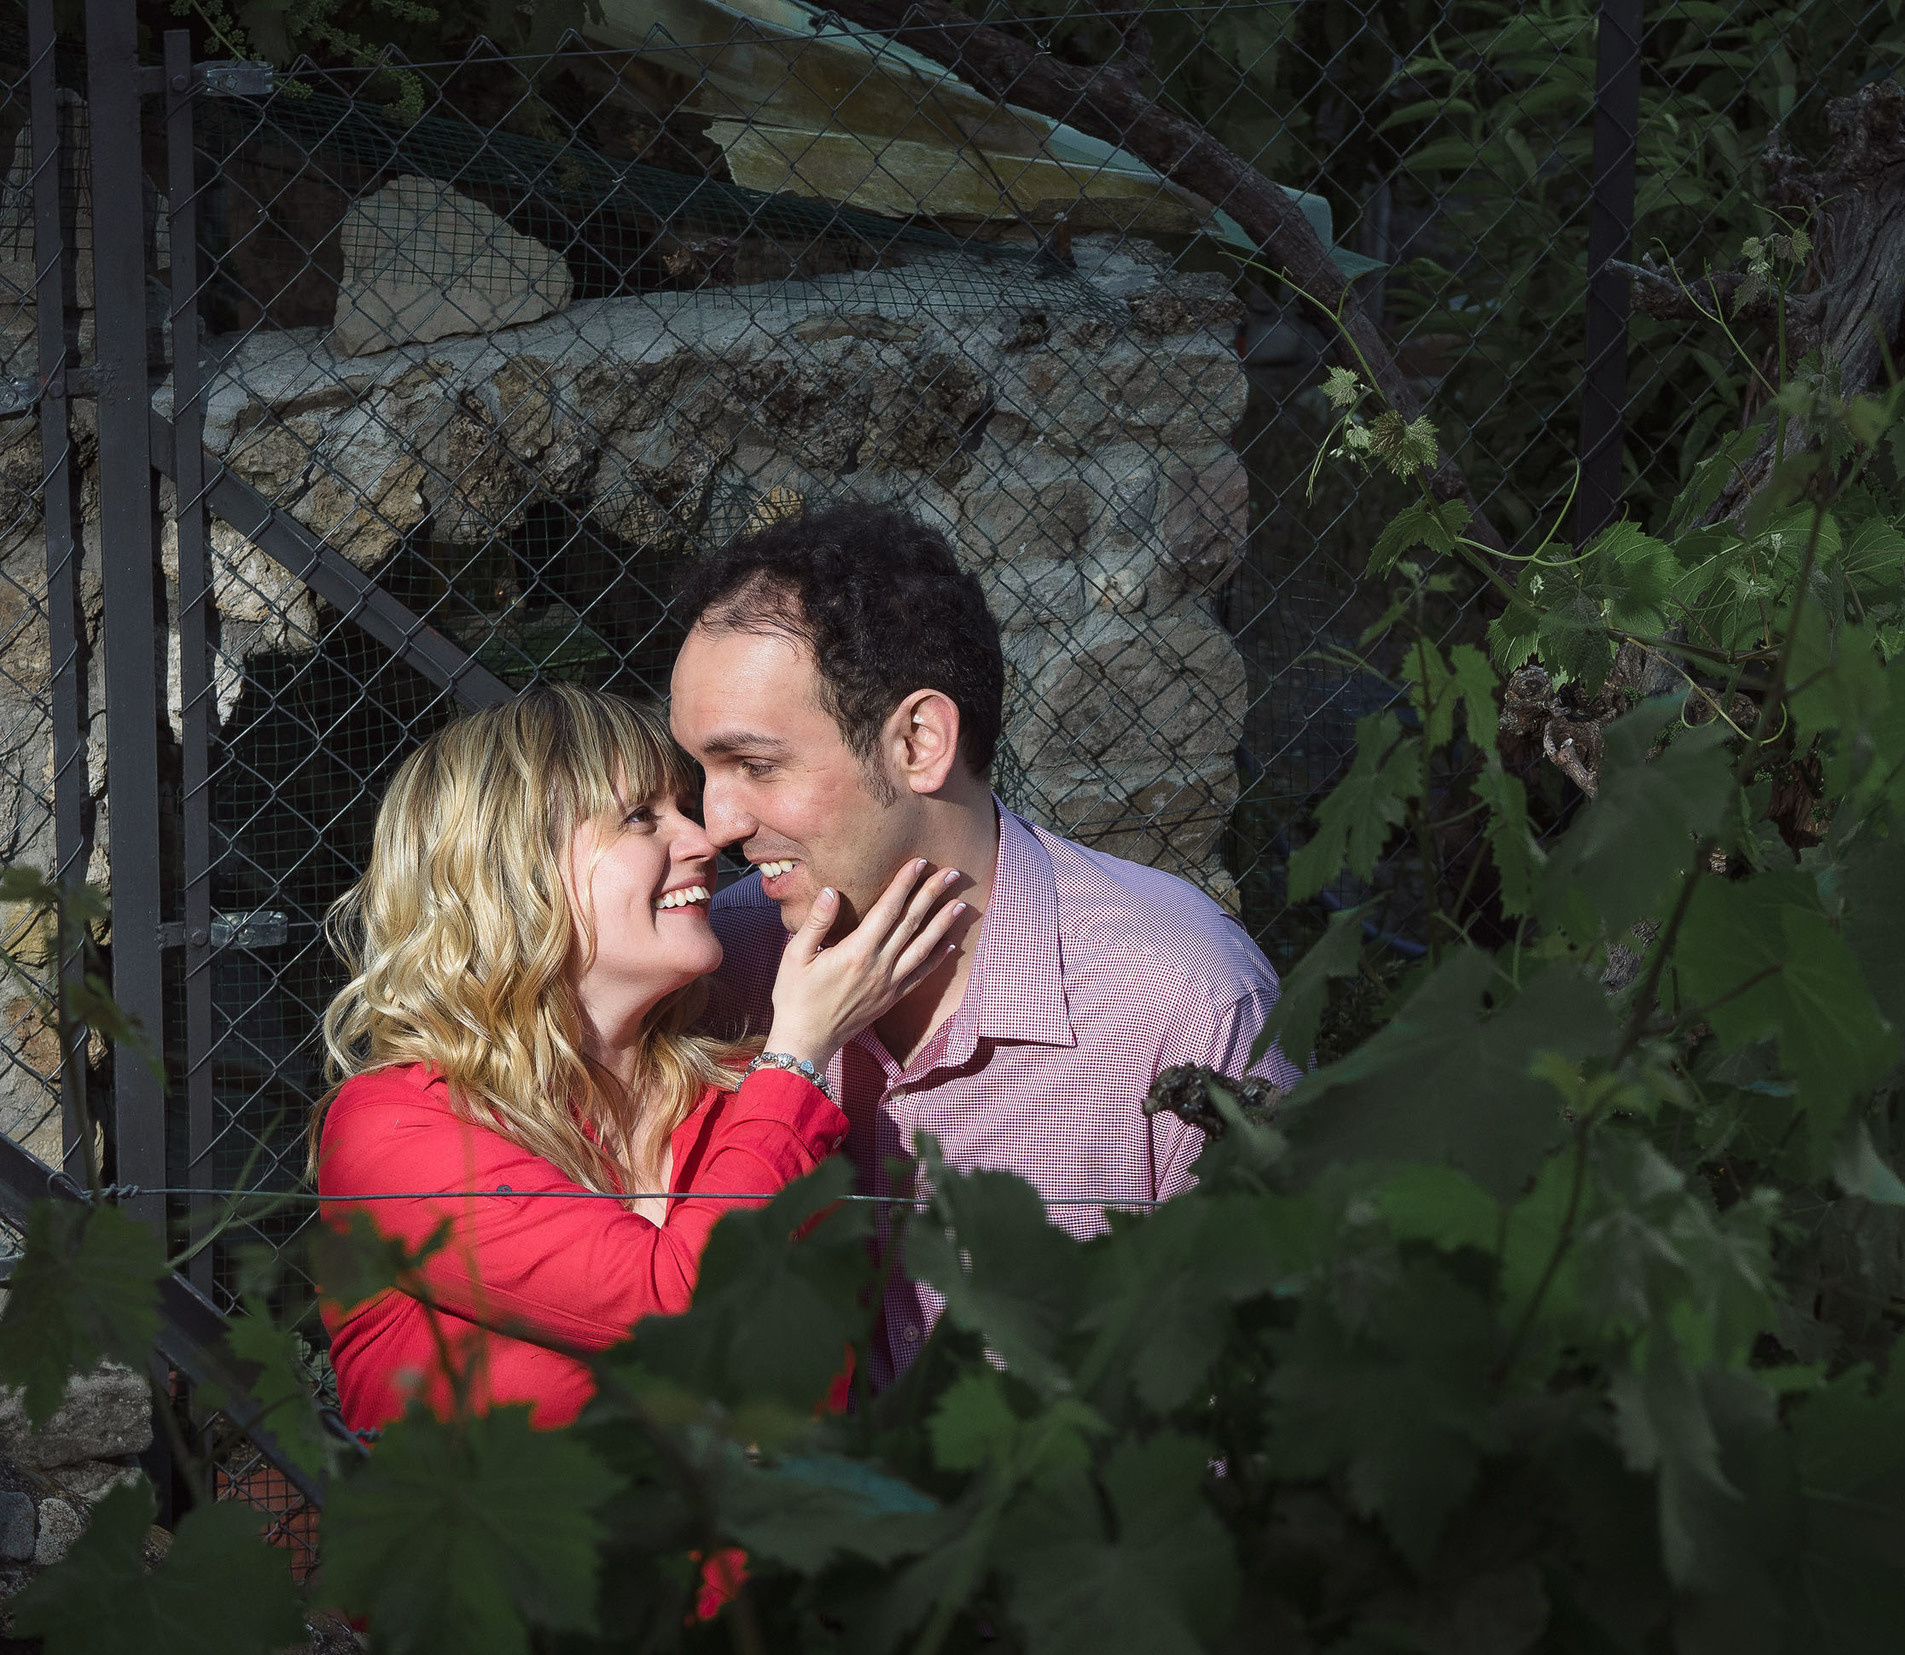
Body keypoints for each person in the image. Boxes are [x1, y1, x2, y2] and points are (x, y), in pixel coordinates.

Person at [667, 504, 1293, 1376]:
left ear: (920, 741)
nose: (718, 821)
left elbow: (1262, 1386)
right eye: (702, 770)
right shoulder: (713, 972)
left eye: (756, 765)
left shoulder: (1177, 999)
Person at [312, 684, 966, 1432]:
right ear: (512, 869)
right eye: (641, 818)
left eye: (681, 811)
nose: (700, 841)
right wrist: (798, 1057)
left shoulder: (737, 1106)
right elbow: (675, 1305)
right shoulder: (393, 1128)